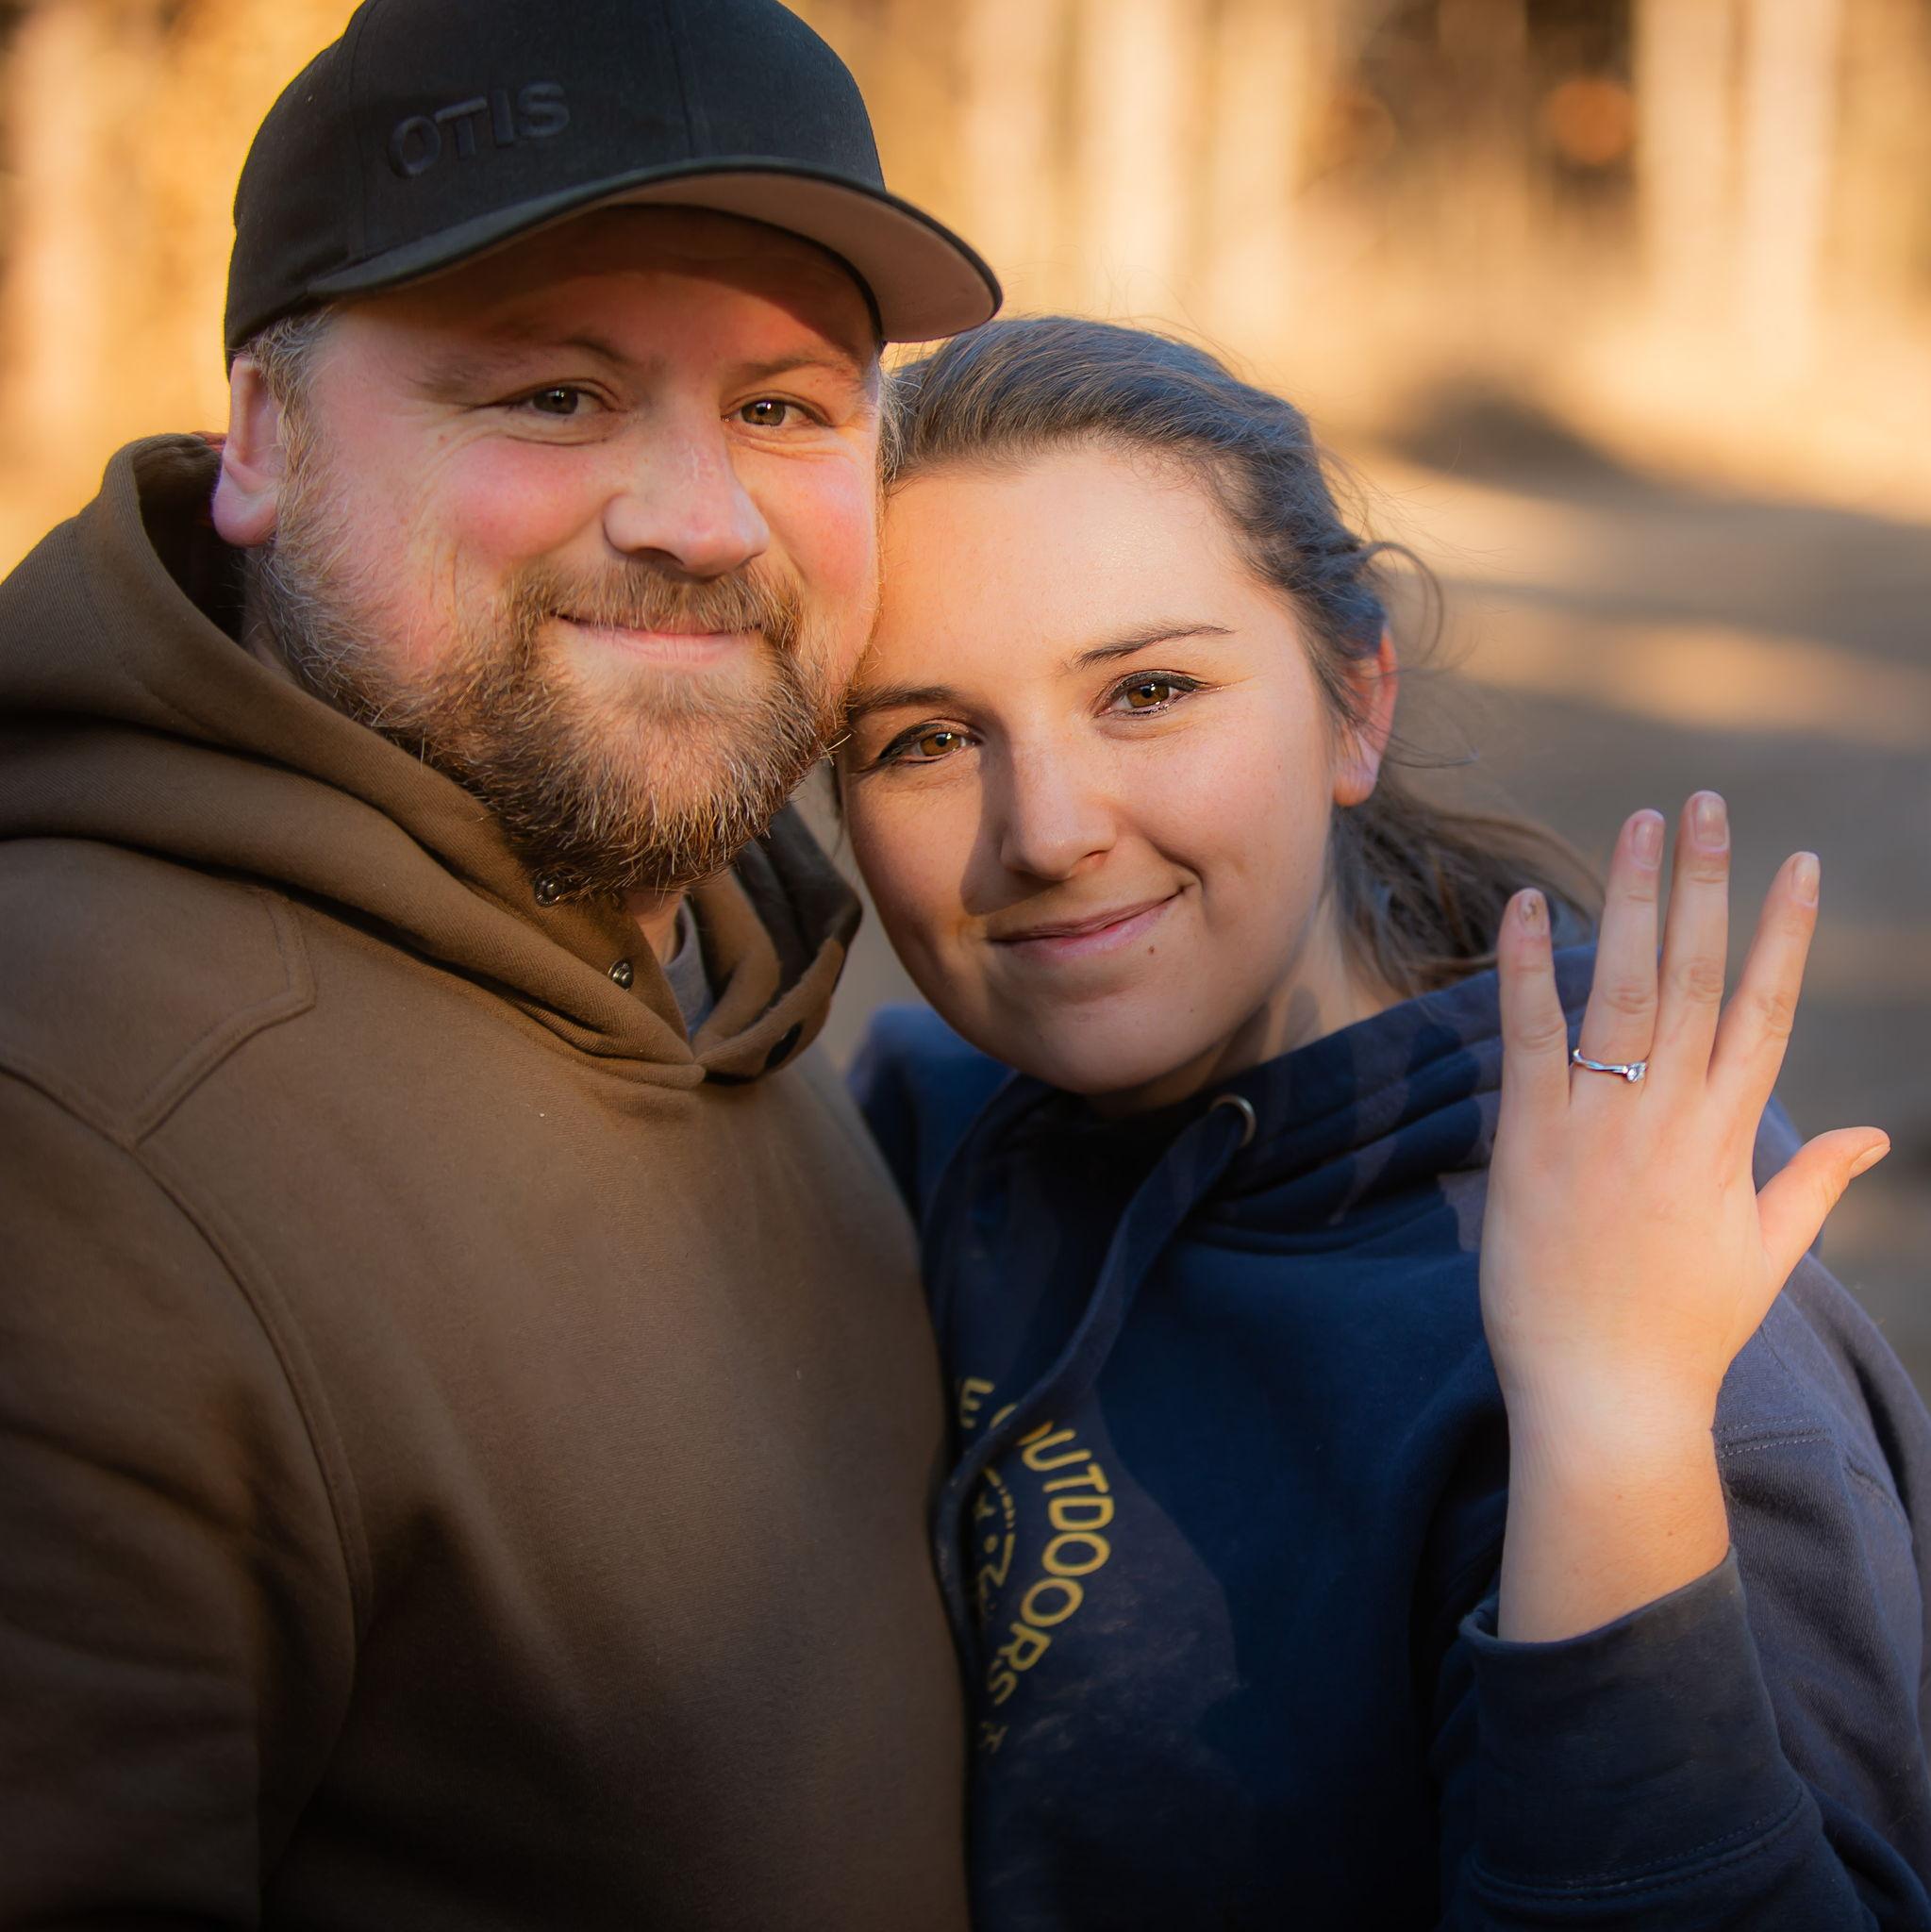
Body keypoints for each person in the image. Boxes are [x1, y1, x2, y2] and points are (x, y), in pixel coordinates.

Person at [0, 0, 1000, 1924]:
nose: (699, 523)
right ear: (264, 439)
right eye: (553, 395)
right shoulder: (74, 1135)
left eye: (785, 408)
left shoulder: (726, 985)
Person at [842, 316, 1931, 1929]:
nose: (1049, 830)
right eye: (926, 739)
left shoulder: (1664, 1332)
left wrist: (1614, 1439)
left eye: (1147, 691)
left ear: (1355, 705)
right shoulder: (910, 1147)